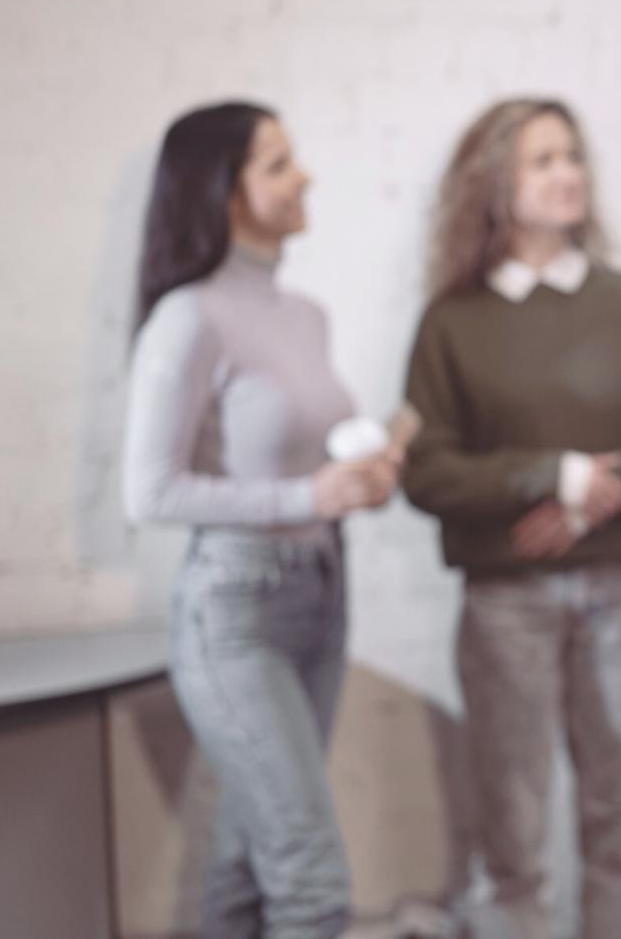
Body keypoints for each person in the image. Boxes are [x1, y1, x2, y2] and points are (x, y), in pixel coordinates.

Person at [400, 98, 621, 939]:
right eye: (542, 160)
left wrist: (602, 494)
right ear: (492, 183)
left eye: (572, 155)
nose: (567, 173)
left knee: (620, 824)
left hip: (619, 592)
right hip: (506, 608)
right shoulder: (452, 321)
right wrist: (552, 475)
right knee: (513, 835)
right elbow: (426, 469)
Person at [124, 101, 400, 939]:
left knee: (249, 859)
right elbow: (150, 492)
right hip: (234, 614)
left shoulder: (304, 314)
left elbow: (304, 461)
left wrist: (363, 480)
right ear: (225, 190)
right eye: (278, 164)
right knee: (311, 883)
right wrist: (308, 497)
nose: (304, 176)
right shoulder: (188, 317)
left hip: (320, 594)